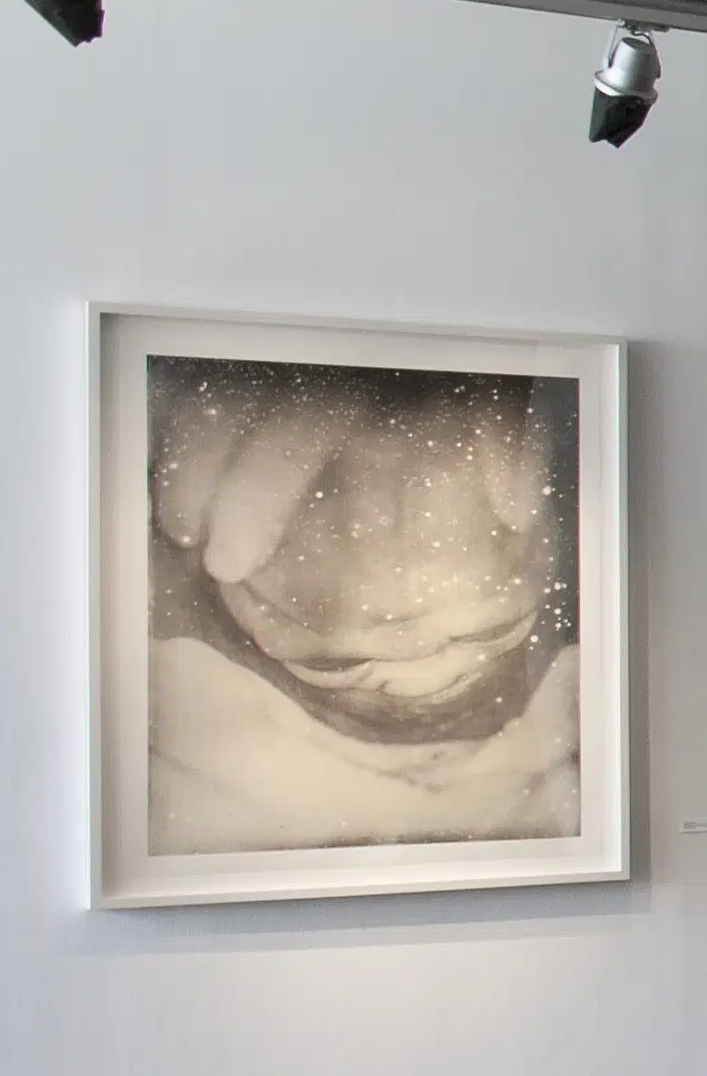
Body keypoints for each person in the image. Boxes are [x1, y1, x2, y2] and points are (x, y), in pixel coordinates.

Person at [144, 358, 580, 854]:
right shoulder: (191, 701)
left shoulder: (584, 686)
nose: (422, 678)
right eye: (334, 662)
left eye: (491, 631)